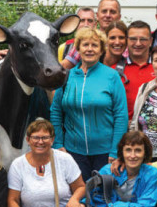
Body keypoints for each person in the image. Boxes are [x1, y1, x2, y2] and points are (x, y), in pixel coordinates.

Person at [50, 27, 128, 179]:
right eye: (85, 45)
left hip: (105, 153)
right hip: (72, 152)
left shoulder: (112, 76)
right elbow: (56, 111)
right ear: (78, 49)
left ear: (101, 50)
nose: (89, 49)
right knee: (77, 197)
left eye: (94, 45)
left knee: (102, 197)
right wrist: (58, 144)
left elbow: (121, 115)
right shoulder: (67, 77)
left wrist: (115, 151)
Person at [122, 21, 155, 120]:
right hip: (125, 131)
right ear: (127, 40)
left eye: (143, 39)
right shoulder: (115, 70)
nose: (138, 43)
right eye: (133, 39)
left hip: (156, 131)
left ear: (151, 41)